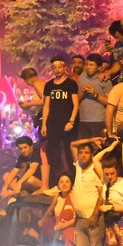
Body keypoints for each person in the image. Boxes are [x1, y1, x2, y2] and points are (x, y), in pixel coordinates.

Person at [68, 139, 104, 246]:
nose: (82, 155)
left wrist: (95, 213)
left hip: (93, 217)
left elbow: (102, 193)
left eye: (86, 152)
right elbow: (72, 144)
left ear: (91, 155)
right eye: (81, 152)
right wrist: (90, 140)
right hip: (80, 219)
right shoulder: (77, 167)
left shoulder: (94, 170)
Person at [42, 56, 79, 186]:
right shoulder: (49, 85)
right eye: (54, 67)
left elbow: (75, 104)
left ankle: (74, 181)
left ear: (64, 68)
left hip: (68, 123)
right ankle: (55, 182)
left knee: (70, 153)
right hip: (52, 124)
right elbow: (46, 106)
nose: (57, 70)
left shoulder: (71, 84)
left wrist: (71, 121)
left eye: (60, 67)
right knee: (53, 153)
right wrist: (44, 124)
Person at [77, 53, 112, 139]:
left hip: (99, 120)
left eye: (91, 65)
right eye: (86, 64)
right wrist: (83, 93)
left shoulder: (105, 80)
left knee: (97, 148)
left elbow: (109, 102)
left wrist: (95, 94)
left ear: (99, 67)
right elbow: (76, 99)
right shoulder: (82, 77)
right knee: (83, 148)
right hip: (83, 120)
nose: (88, 67)